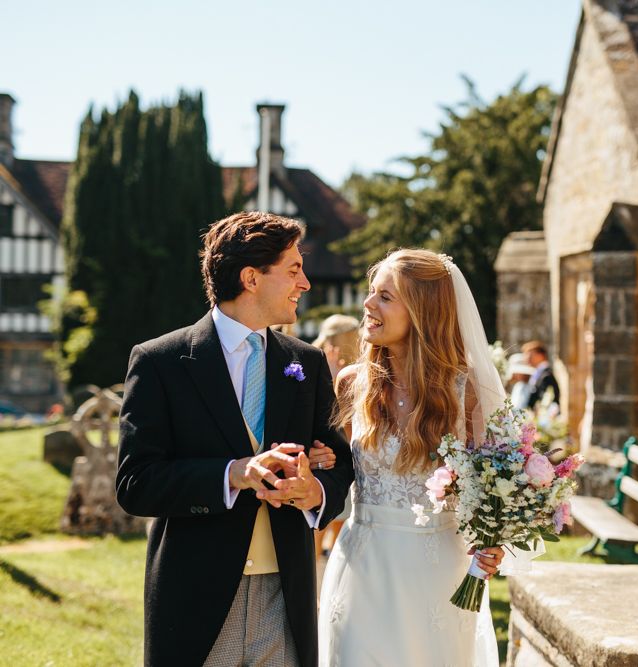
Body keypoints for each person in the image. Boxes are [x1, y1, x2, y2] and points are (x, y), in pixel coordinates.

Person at [116, 211, 354, 667]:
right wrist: (234, 474)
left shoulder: (306, 364)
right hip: (196, 594)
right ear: (250, 278)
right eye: (293, 270)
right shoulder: (161, 361)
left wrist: (316, 490)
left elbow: (338, 463)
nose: (304, 283)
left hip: (286, 595)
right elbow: (135, 483)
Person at [311, 249, 506, 666]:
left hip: (437, 571)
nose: (368, 304)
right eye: (371, 293)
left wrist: (492, 539)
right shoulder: (351, 384)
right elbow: (342, 472)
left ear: (422, 311)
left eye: (385, 296)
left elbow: (492, 483)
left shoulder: (464, 388)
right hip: (361, 562)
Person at [310, 314, 361, 557]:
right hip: (327, 458)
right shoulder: (315, 364)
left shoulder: (356, 369)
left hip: (349, 458)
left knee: (341, 527)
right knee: (318, 530)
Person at [522, 340, 561, 410]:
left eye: (530, 355)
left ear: (540, 355)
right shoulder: (538, 374)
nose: (526, 359)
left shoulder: (547, 375)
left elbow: (546, 400)